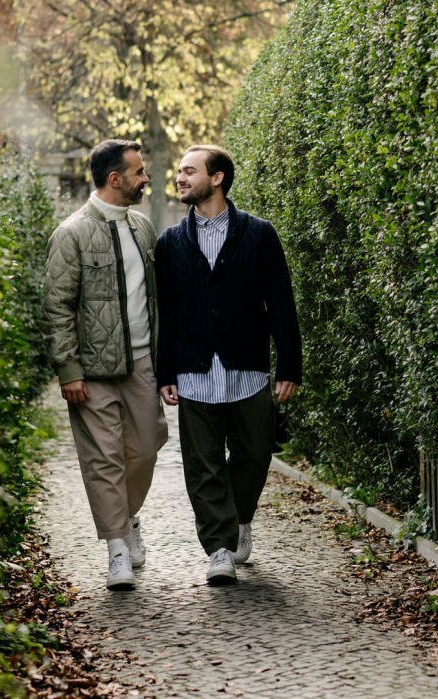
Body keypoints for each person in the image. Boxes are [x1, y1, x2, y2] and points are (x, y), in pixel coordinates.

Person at [155, 144, 302, 585]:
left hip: (248, 370)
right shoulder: (170, 243)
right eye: (179, 172)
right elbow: (169, 313)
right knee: (202, 465)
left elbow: (280, 303)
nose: (180, 178)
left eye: (189, 171)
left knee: (255, 454)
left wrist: (289, 365)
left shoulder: (259, 234)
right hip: (194, 373)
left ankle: (239, 519)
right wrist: (166, 374)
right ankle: (219, 547)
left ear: (216, 178)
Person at [44, 139, 168, 590]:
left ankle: (129, 516)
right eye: (138, 172)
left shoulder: (143, 228)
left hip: (141, 363)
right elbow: (57, 306)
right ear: (115, 179)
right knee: (103, 460)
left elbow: (156, 299)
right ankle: (116, 546)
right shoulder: (71, 233)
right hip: (93, 372)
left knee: (148, 445)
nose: (145, 178)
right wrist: (68, 370)